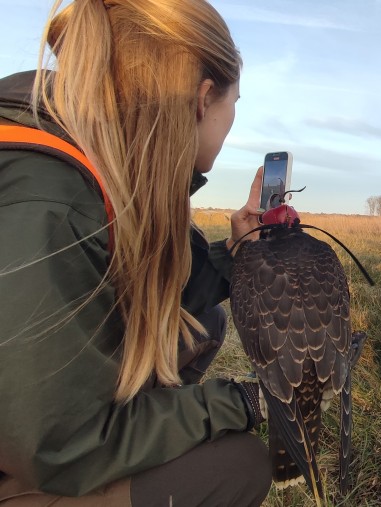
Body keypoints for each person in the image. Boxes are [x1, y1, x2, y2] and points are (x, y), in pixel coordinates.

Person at [0, 1, 271, 505]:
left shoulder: (91, 155)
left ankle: (142, 430)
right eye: (237, 101)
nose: (233, 121)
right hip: (40, 448)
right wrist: (246, 401)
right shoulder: (47, 205)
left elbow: (161, 286)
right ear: (203, 98)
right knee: (236, 467)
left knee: (201, 321)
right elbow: (57, 442)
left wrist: (236, 254)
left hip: (31, 423)